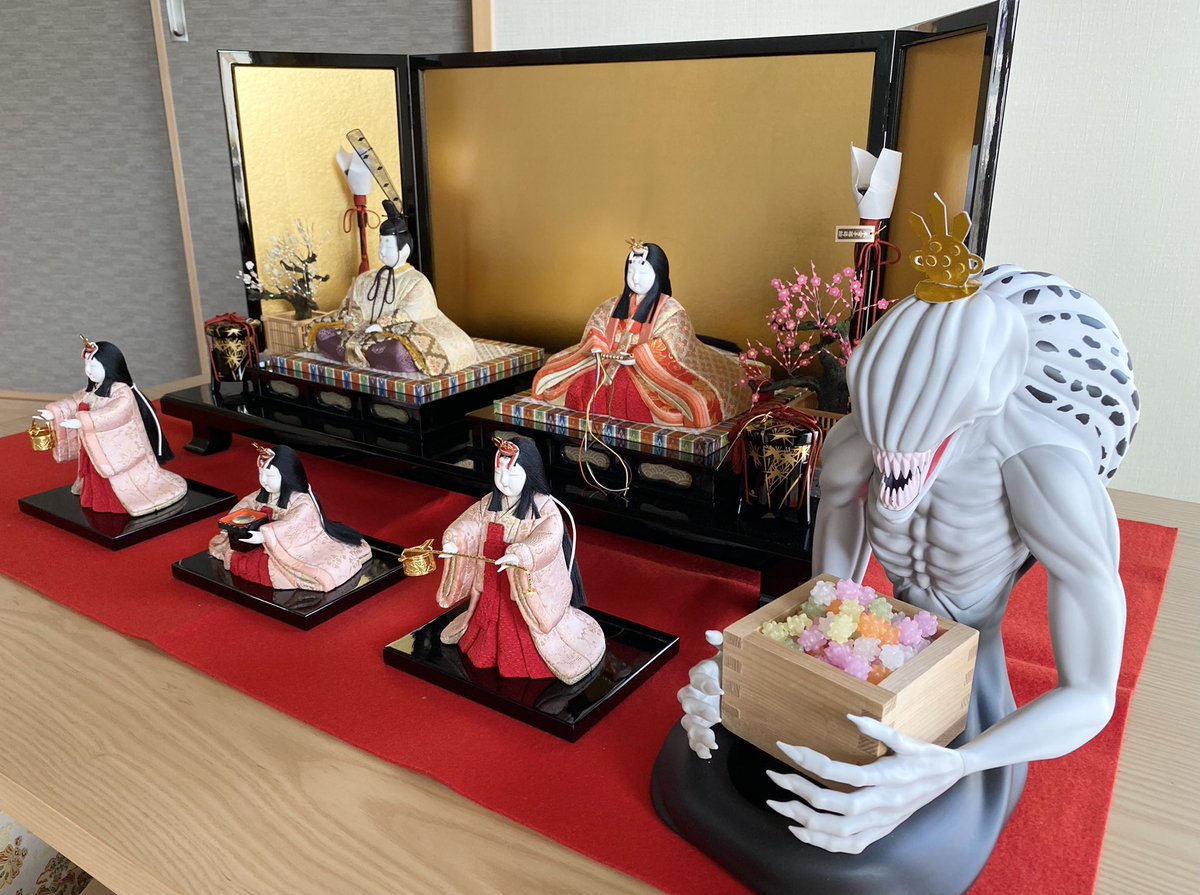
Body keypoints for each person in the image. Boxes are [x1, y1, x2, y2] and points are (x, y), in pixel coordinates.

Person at [666, 223, 1139, 892]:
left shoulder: (1044, 475)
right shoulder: (858, 447)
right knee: (721, 760)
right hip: (877, 648)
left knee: (895, 848)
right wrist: (748, 670)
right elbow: (829, 600)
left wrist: (950, 767)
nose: (889, 461)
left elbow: (1091, 693)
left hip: (973, 674)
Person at [437, 435, 604, 684]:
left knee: (519, 625)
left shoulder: (544, 507)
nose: (504, 481)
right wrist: (454, 541)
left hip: (520, 583)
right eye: (499, 474)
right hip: (491, 575)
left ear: (530, 474)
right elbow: (469, 524)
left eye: (512, 475)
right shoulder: (489, 503)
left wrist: (523, 553)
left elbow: (549, 536)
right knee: (488, 616)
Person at [531, 240, 750, 428]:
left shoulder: (671, 310)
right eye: (631, 271)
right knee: (573, 384)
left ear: (658, 274)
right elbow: (596, 327)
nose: (635, 278)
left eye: (643, 272)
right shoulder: (612, 304)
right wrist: (597, 345)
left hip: (646, 371)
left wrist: (641, 355)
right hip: (605, 364)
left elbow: (673, 344)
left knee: (693, 400)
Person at [307, 200, 479, 374]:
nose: (382, 251)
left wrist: (381, 325)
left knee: (398, 352)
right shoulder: (366, 278)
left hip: (393, 333)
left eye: (387, 245)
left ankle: (375, 356)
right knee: (323, 334)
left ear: (405, 249)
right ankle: (368, 355)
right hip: (362, 329)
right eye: (380, 244)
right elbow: (352, 303)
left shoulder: (416, 280)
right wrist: (352, 317)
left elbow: (415, 311)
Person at [38, 337, 186, 516]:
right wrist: (54, 412)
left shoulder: (121, 392)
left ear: (109, 366)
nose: (88, 370)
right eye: (86, 366)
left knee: (120, 481)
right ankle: (93, 496)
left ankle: (115, 501)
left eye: (93, 366)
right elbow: (74, 402)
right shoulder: (94, 389)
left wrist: (83, 421)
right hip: (94, 446)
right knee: (94, 472)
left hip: (116, 449)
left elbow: (115, 413)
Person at [208, 444, 372, 592]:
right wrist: (231, 524)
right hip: (260, 542)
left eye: (270, 476)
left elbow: (295, 523)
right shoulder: (263, 495)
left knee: (296, 572)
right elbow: (246, 505)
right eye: (261, 474)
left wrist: (263, 536)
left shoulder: (302, 500)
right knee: (235, 553)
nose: (263, 481)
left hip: (286, 545)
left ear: (287, 476)